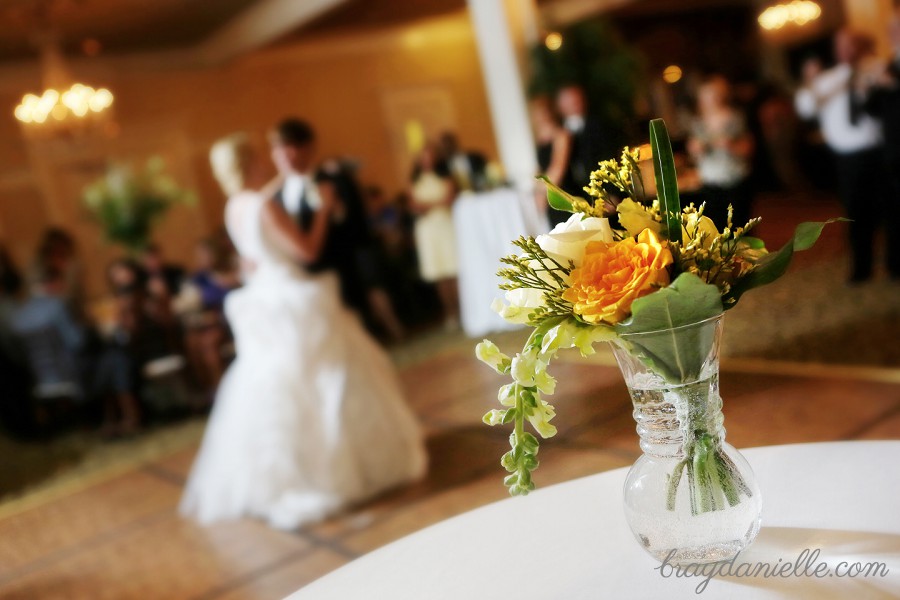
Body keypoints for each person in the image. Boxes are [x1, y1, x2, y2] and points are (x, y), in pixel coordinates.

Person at [180, 133, 426, 530]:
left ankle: (291, 473)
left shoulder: (234, 207)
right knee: (327, 378)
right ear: (250, 162)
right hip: (294, 296)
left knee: (282, 383)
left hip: (265, 296)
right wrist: (325, 210)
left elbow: (250, 261)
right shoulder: (262, 205)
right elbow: (307, 251)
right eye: (259, 156)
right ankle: (334, 469)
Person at [795, 29, 887, 283]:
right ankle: (861, 268)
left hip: (881, 153)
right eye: (841, 45)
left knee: (889, 210)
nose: (847, 50)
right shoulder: (829, 79)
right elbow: (804, 107)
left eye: (852, 44)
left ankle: (895, 265)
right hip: (847, 159)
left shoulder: (879, 68)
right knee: (855, 213)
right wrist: (812, 82)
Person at [860, 11, 900, 280]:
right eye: (891, 29)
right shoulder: (887, 65)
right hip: (893, 151)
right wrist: (872, 85)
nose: (893, 34)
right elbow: (872, 109)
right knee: (894, 210)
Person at [687, 75, 755, 228]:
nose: (710, 100)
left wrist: (730, 145)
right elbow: (693, 153)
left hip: (734, 180)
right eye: (706, 96)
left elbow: (748, 148)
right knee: (716, 227)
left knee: (740, 226)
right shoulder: (698, 123)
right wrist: (696, 148)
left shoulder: (735, 118)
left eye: (713, 95)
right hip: (710, 183)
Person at [409, 144, 460, 329]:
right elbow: (414, 205)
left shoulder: (446, 177)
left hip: (445, 227)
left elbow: (449, 199)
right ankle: (450, 312)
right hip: (428, 231)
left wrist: (428, 205)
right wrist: (435, 204)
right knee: (438, 272)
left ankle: (462, 309)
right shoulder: (416, 180)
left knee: (453, 268)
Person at [556, 85, 614, 193]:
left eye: (577, 101)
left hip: (602, 190)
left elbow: (608, 159)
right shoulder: (558, 132)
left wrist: (609, 193)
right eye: (570, 102)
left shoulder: (598, 127)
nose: (575, 105)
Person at [531, 97, 574, 226]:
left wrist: (542, 191)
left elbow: (558, 168)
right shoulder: (540, 139)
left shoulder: (561, 135)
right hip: (549, 196)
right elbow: (540, 169)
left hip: (564, 193)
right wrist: (538, 192)